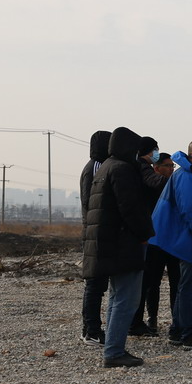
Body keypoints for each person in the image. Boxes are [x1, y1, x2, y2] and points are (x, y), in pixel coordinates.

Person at [83, 127, 155, 367]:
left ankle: (113, 348)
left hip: (109, 243)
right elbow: (131, 209)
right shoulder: (123, 169)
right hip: (124, 244)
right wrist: (145, 234)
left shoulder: (105, 167)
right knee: (126, 298)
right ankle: (114, 352)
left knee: (116, 296)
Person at [149, 139, 192, 350]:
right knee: (189, 288)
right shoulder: (187, 176)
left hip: (181, 237)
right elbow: (190, 210)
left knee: (184, 286)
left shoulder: (188, 175)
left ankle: (178, 331)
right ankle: (188, 333)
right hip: (186, 237)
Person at [129, 136, 169, 336]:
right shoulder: (142, 167)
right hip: (147, 234)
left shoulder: (131, 166)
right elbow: (155, 182)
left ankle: (141, 320)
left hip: (147, 233)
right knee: (145, 281)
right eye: (155, 150)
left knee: (147, 281)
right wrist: (176, 181)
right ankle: (135, 323)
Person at [79, 130, 111, 346]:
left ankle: (89, 329)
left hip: (94, 231)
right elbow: (94, 202)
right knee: (95, 284)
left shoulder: (94, 165)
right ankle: (91, 330)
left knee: (96, 284)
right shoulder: (97, 167)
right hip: (95, 233)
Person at [142, 152, 180, 333]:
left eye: (173, 166)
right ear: (156, 168)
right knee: (152, 283)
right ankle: (152, 319)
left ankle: (177, 320)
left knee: (176, 282)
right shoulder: (150, 187)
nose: (171, 169)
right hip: (155, 242)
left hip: (173, 241)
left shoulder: (175, 187)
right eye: (168, 165)